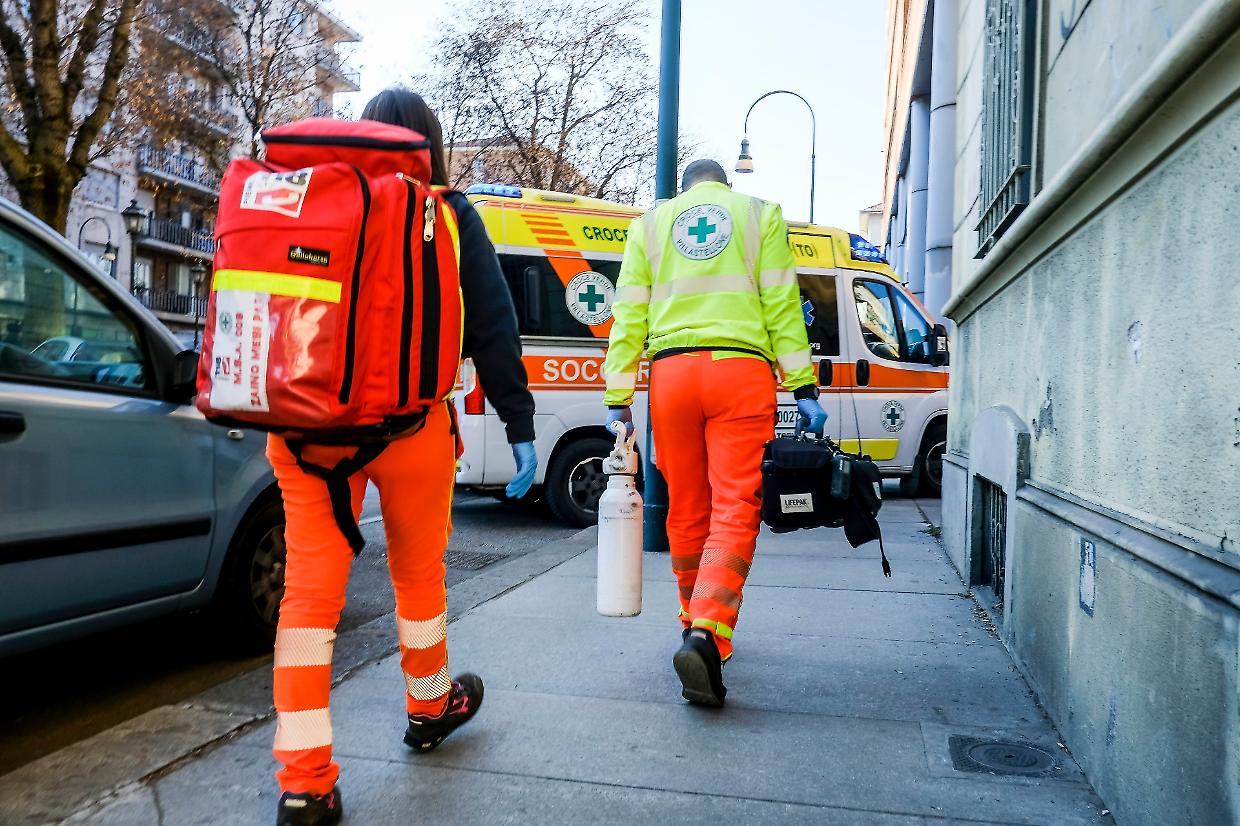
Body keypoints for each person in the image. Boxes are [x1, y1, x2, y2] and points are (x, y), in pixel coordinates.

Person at [270, 88, 537, 826]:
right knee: (419, 583)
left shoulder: (305, 200)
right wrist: (519, 421)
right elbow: (492, 322)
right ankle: (428, 708)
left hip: (307, 430)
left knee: (308, 601)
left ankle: (305, 780)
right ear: (427, 145)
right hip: (413, 427)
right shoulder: (448, 213)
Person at [602, 159, 826, 708]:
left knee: (684, 508)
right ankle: (709, 628)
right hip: (740, 373)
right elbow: (781, 304)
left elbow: (628, 312)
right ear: (725, 185)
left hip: (672, 375)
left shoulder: (651, 224)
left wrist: (618, 395)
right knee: (734, 506)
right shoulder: (758, 214)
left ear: (685, 191)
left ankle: (691, 623)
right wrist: (803, 385)